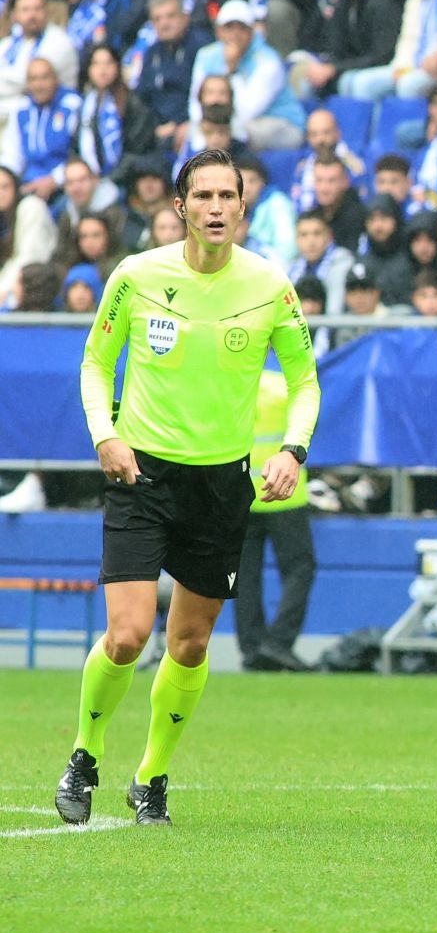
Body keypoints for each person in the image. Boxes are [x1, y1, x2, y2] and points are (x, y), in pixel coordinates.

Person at [55, 149, 320, 828]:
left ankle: (151, 776)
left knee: (191, 645)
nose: (215, 207)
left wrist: (294, 448)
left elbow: (304, 381)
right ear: (180, 207)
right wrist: (104, 434)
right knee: (127, 633)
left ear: (242, 205)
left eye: (226, 196)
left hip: (221, 484)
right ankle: (85, 754)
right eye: (201, 195)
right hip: (140, 473)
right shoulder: (137, 276)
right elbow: (94, 363)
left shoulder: (269, 284)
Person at [233, 369, 316, 674]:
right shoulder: (288, 385)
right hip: (284, 494)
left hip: (241, 492)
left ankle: (252, 649)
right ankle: (279, 642)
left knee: (245, 575)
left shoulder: (234, 383)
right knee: (300, 568)